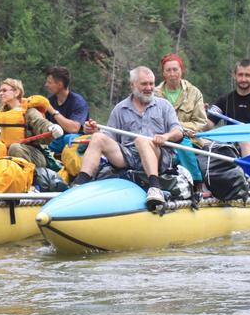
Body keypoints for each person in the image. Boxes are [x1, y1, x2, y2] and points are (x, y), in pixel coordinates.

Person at [73, 66, 183, 211]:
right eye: (144, 84)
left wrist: (166, 136)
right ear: (133, 85)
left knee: (141, 140)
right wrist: (95, 130)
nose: (149, 88)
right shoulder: (120, 108)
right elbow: (109, 137)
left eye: (151, 84)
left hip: (157, 154)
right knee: (98, 138)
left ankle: (155, 188)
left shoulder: (164, 105)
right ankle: (80, 185)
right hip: (128, 155)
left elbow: (178, 131)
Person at [154, 52, 209, 205]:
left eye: (175, 70)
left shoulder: (194, 92)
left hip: (190, 137)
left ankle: (197, 183)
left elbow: (201, 121)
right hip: (163, 137)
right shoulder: (155, 93)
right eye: (168, 70)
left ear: (181, 70)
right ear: (163, 73)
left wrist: (180, 129)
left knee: (183, 143)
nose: (172, 74)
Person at [0, 78, 63, 170]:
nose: (1, 93)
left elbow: (40, 122)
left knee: (15, 148)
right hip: (6, 153)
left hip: (34, 154)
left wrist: (50, 127)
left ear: (17, 92)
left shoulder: (29, 111)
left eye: (4, 90)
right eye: (0, 91)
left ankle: (29, 179)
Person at [42, 66, 89, 155]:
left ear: (60, 85)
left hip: (75, 140)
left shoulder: (78, 102)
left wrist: (53, 112)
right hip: (55, 139)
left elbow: (74, 129)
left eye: (49, 82)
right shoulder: (50, 100)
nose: (46, 85)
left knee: (68, 138)